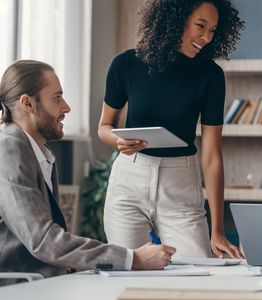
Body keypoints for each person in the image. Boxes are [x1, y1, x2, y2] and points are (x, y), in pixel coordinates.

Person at [0, 60, 175, 284]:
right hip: (18, 287)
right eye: (57, 98)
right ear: (27, 104)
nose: (66, 107)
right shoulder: (9, 149)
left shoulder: (37, 152)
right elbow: (43, 240)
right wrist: (133, 258)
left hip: (41, 280)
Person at [98, 0, 244, 258]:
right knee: (129, 272)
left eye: (213, 30)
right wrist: (117, 141)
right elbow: (104, 127)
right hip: (129, 182)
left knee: (198, 271)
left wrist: (218, 229)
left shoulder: (210, 75)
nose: (207, 37)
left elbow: (211, 156)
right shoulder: (125, 64)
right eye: (201, 25)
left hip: (180, 184)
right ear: (176, 19)